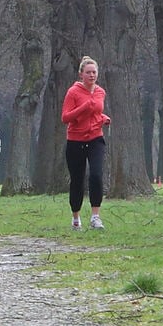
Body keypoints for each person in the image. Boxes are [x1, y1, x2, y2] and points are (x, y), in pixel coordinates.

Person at [61, 55, 111, 230]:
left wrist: (103, 117)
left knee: (96, 175)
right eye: (88, 72)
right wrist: (84, 107)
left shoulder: (100, 92)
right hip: (75, 141)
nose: (92, 75)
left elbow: (96, 112)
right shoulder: (73, 92)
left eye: (94, 72)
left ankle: (95, 217)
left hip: (96, 138)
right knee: (77, 180)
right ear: (81, 74)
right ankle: (76, 218)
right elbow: (65, 117)